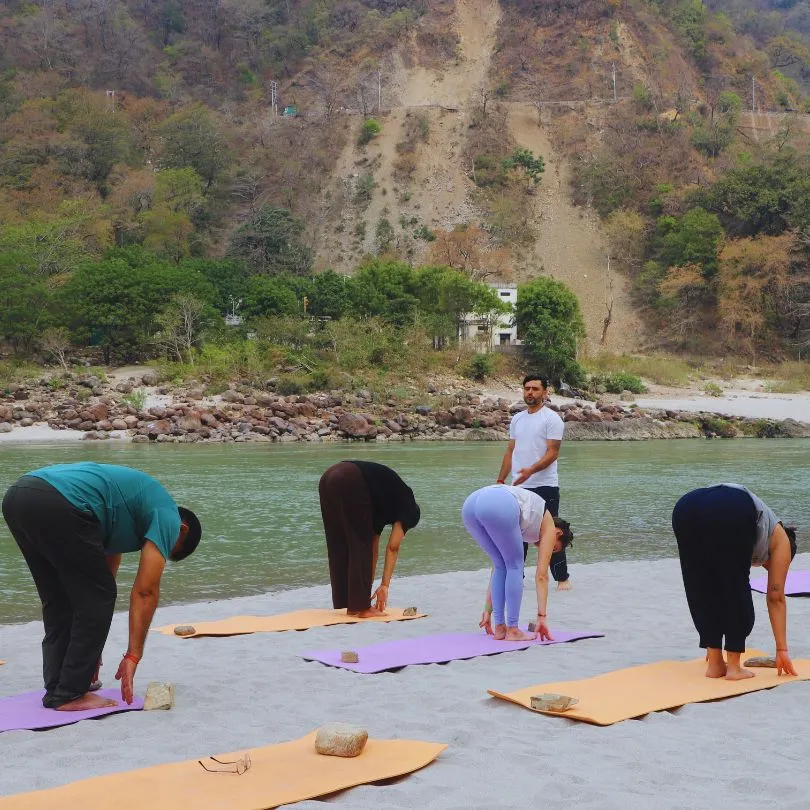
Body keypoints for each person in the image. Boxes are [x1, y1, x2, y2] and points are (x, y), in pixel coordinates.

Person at [2, 462, 202, 711]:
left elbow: (100, 576)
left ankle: (60, 688)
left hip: (19, 496)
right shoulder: (169, 516)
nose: (157, 548)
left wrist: (88, 649)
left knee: (61, 600)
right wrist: (133, 656)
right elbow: (145, 591)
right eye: (168, 545)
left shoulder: (129, 512)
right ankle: (70, 694)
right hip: (59, 501)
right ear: (181, 530)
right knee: (99, 597)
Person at [672, 483, 798, 681]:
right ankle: (734, 668)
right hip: (729, 507)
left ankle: (715, 664)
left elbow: (712, 584)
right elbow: (776, 597)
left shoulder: (755, 533)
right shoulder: (782, 539)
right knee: (735, 584)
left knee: (701, 583)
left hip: (686, 506)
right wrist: (782, 649)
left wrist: (711, 636)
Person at [462, 484, 574, 641]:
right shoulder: (548, 526)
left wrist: (488, 609)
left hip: (471, 504)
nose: (548, 549)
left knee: (501, 564)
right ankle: (513, 629)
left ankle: (500, 628)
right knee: (515, 565)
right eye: (554, 547)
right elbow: (541, 576)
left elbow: (497, 569)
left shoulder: (526, 521)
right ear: (558, 533)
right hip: (497, 502)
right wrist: (542, 617)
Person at [318, 460, 420, 618]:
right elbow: (393, 547)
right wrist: (384, 586)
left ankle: (347, 604)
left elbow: (372, 550)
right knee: (360, 544)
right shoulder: (410, 511)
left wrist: (366, 591)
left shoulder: (382, 504)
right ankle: (361, 608)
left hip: (328, 477)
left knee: (339, 543)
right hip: (351, 480)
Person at [496, 374, 570, 589]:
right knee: (516, 534)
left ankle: (562, 579)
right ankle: (516, 579)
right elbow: (511, 451)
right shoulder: (517, 419)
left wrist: (531, 470)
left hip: (545, 485)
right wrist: (501, 479)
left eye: (535, 389)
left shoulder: (551, 419)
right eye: (527, 388)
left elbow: (552, 453)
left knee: (552, 533)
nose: (530, 392)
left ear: (545, 393)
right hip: (518, 487)